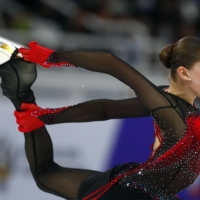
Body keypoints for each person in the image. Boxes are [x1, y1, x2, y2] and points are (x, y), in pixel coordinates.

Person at [2, 36, 200, 200]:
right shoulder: (168, 106)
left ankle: (20, 95)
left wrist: (46, 118)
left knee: (46, 175)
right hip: (132, 193)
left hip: (140, 190)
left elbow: (105, 109)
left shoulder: (167, 103)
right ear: (184, 72)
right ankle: (22, 94)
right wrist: (52, 58)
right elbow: (109, 64)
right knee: (46, 175)